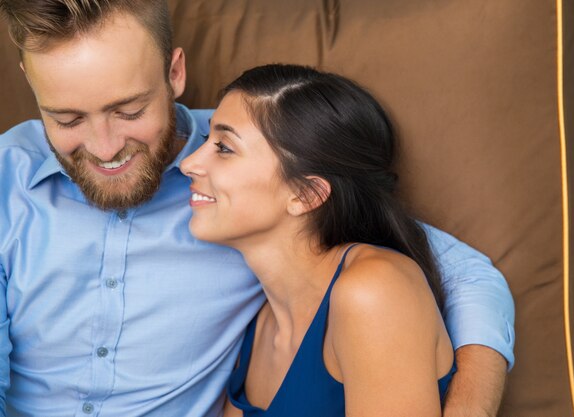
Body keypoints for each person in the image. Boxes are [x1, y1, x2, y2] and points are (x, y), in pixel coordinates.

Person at [0, 1, 513, 416]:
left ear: (174, 72)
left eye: (129, 111)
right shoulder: (9, 179)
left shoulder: (253, 167)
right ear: (30, 82)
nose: (105, 147)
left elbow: (463, 274)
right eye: (66, 119)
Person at [180, 63, 458, 416]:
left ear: (306, 195)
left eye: (224, 148)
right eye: (207, 140)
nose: (189, 164)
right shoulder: (261, 317)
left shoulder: (374, 291)